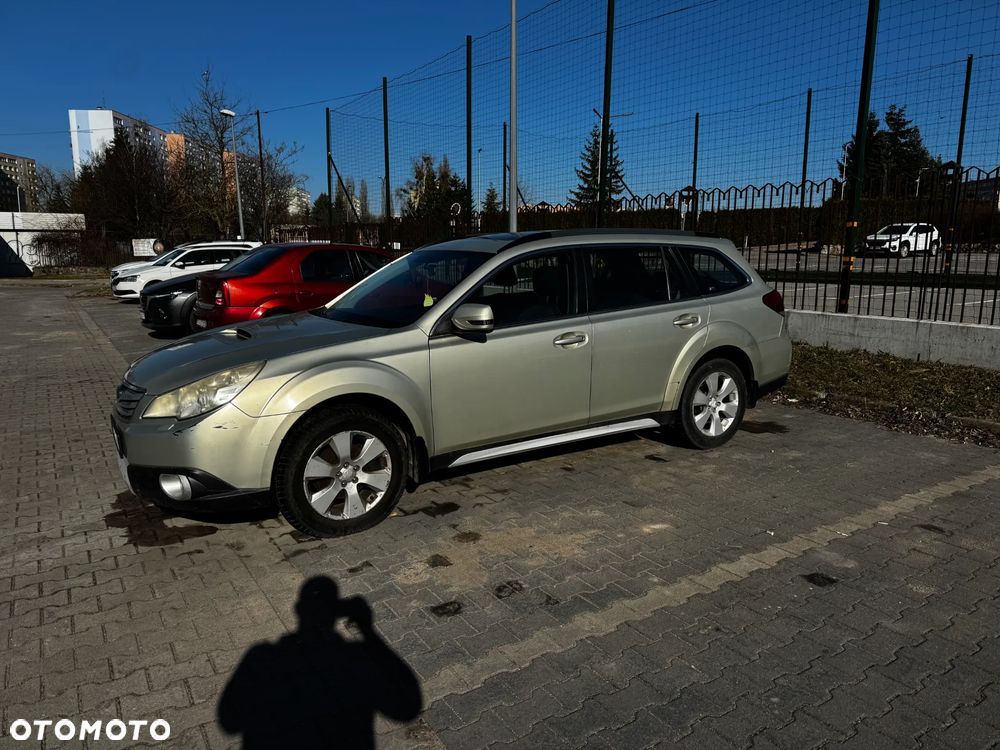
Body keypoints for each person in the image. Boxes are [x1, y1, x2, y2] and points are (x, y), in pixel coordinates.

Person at [218, 576, 422, 749]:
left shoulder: (262, 657)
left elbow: (230, 721)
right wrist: (368, 632)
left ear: (298, 610)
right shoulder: (355, 658)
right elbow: (406, 707)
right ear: (336, 613)